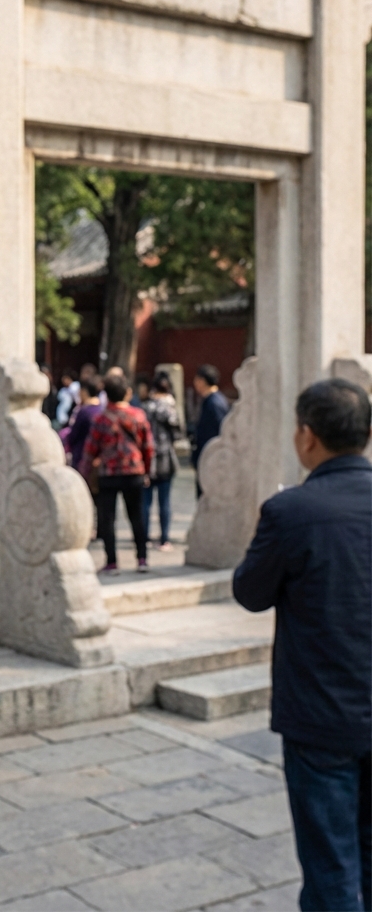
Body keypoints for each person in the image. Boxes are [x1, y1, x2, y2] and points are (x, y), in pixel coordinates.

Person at [233, 380, 370, 912]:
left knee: (330, 866)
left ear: (306, 437)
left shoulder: (293, 511)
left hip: (321, 715)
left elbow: (250, 591)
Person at [81, 371, 154, 573]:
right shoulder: (138, 416)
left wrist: (84, 474)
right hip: (134, 471)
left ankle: (112, 561)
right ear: (127, 393)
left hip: (109, 473)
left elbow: (90, 450)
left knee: (107, 519)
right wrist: (147, 471)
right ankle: (142, 559)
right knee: (137, 516)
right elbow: (148, 447)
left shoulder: (101, 419)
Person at [141, 372, 180, 551]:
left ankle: (144, 536)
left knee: (146, 501)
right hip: (166, 458)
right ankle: (165, 538)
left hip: (147, 458)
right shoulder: (171, 409)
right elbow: (178, 434)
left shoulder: (146, 408)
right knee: (164, 501)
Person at [192, 363, 230, 493]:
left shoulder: (214, 403)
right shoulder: (210, 401)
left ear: (201, 381)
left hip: (212, 459)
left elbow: (220, 431)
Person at [67, 375, 103, 478]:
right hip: (98, 461)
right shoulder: (102, 410)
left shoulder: (83, 412)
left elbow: (73, 436)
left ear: (84, 391)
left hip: (81, 457)